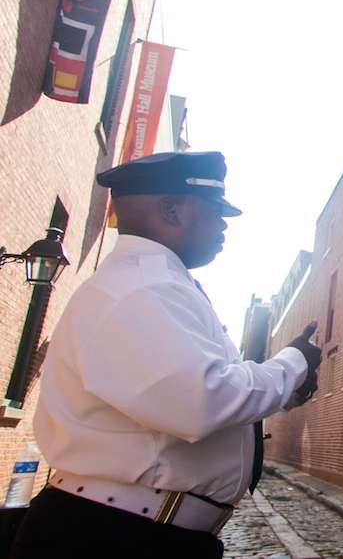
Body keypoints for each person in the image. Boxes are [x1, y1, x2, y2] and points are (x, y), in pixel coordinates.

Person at [11, 151, 322, 559]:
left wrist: (285, 393)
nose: (224, 225)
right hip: (113, 536)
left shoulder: (159, 284)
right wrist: (292, 362)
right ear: (171, 211)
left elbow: (194, 391)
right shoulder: (140, 288)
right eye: (214, 210)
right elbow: (201, 401)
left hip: (141, 530)